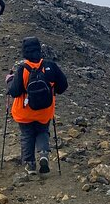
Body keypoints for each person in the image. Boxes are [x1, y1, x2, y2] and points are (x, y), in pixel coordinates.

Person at [7, 37, 68, 175]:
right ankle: (44, 155)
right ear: (39, 49)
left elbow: (14, 92)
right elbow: (63, 86)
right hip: (44, 111)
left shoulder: (22, 68)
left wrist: (9, 80)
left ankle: (30, 165)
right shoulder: (50, 66)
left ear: (24, 51)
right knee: (42, 131)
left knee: (27, 134)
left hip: (24, 112)